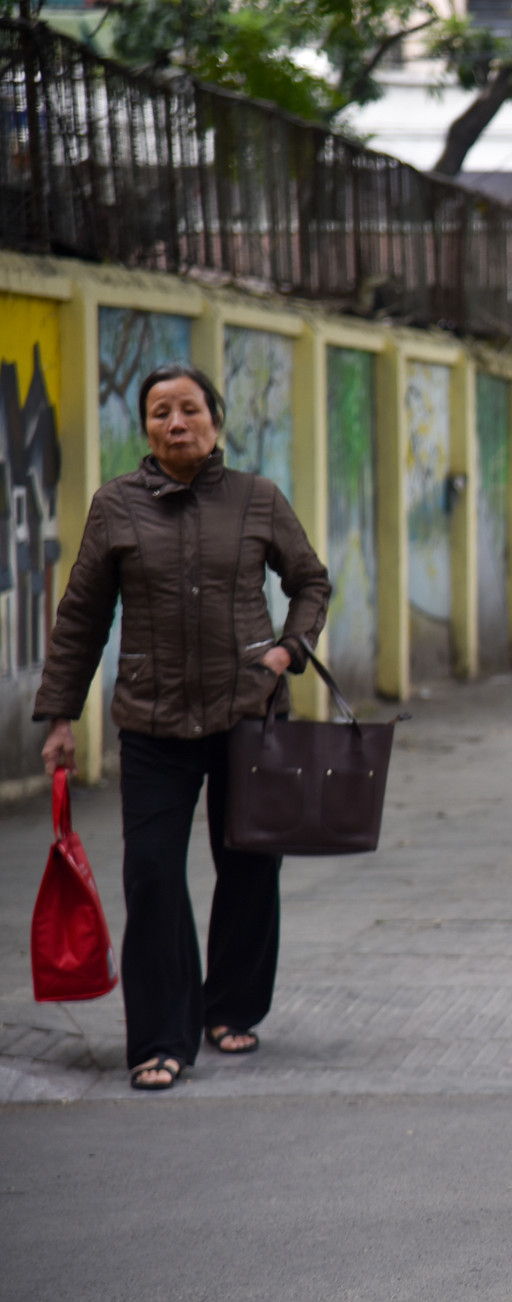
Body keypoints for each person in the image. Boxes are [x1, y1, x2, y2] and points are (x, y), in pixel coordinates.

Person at [35, 364, 330, 1092]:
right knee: (154, 874)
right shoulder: (116, 507)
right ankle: (161, 1036)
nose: (176, 422)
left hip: (247, 713)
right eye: (160, 411)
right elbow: (82, 616)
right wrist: (59, 714)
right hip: (153, 721)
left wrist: (291, 649)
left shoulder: (258, 498)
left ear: (214, 421)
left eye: (189, 409)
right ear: (145, 429)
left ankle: (232, 1006)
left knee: (251, 865)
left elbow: (310, 581)